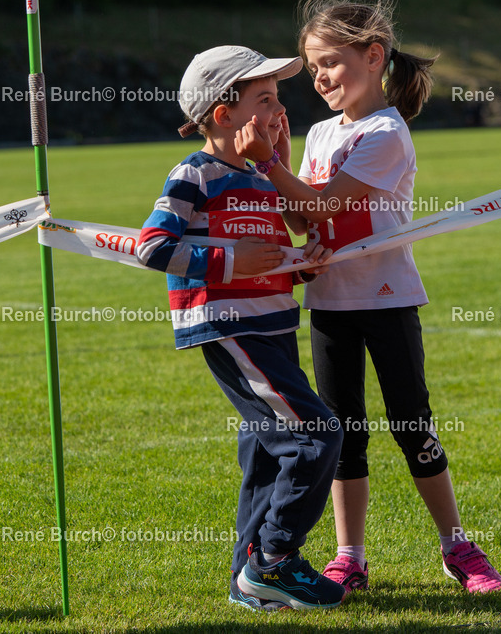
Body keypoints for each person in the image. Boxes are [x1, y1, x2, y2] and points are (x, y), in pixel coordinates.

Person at [234, 0, 501, 594]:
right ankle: (348, 556)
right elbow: (308, 223)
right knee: (344, 435)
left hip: (387, 300)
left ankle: (457, 547)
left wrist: (271, 166)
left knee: (413, 426)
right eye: (313, 70)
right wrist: (279, 168)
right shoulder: (322, 132)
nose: (321, 78)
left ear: (373, 56)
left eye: (330, 62)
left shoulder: (388, 132)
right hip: (330, 305)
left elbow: (329, 204)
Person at [136, 45, 345, 611]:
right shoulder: (194, 173)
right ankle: (275, 560)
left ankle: (246, 581)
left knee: (266, 450)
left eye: (279, 99)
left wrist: (299, 265)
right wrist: (228, 263)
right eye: (265, 99)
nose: (280, 112)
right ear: (223, 114)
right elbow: (153, 247)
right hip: (230, 326)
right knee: (317, 433)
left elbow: (268, 256)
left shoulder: (258, 178)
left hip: (272, 324)